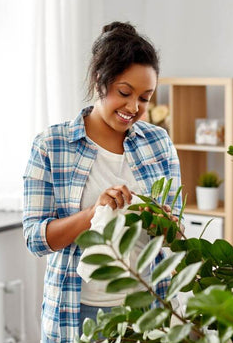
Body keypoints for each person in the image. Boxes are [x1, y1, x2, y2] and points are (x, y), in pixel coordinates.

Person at [22, 21, 182, 343]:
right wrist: (94, 213)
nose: (133, 108)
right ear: (99, 81)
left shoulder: (158, 142)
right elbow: (36, 239)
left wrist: (161, 220)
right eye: (124, 93)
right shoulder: (52, 145)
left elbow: (176, 236)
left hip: (150, 305)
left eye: (145, 98)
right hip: (78, 312)